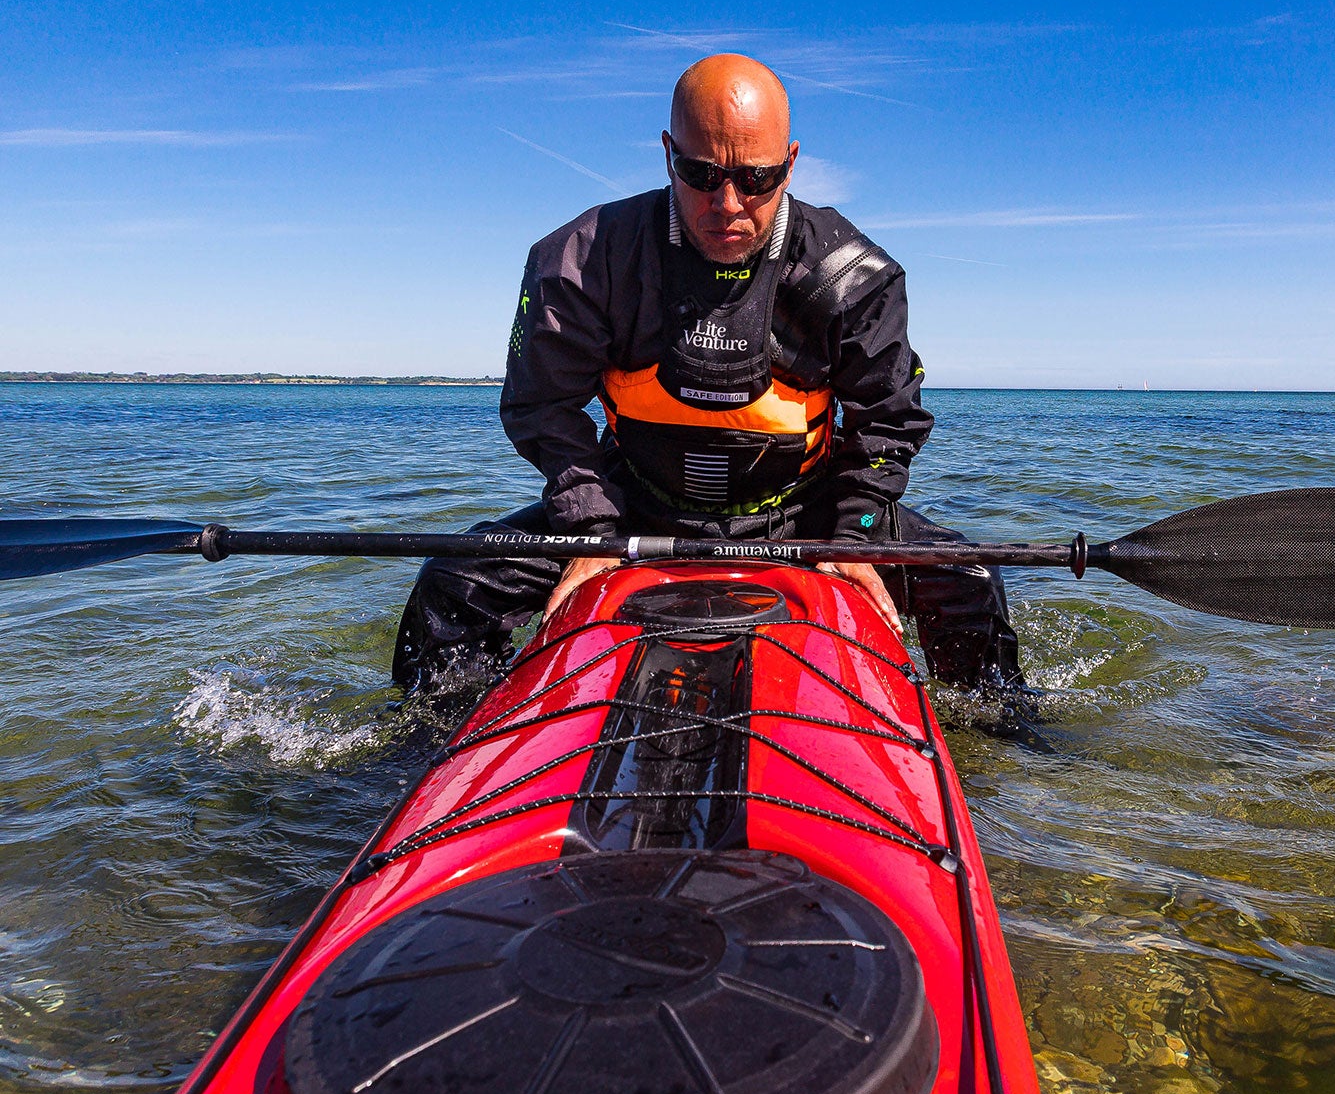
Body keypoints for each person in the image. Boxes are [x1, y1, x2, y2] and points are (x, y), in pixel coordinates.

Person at [393, 54, 1022, 693]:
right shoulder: (583, 259)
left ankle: (998, 748)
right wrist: (595, 528)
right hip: (632, 510)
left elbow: (889, 419)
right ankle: (440, 750)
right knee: (454, 581)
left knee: (971, 582)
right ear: (668, 154)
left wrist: (854, 530)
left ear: (792, 162)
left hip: (803, 517)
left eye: (756, 178)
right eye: (701, 174)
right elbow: (540, 408)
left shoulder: (856, 275)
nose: (728, 204)